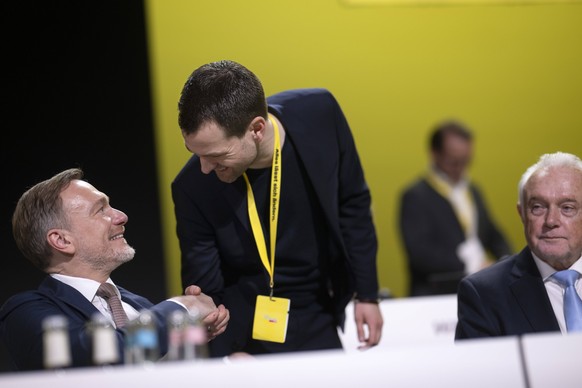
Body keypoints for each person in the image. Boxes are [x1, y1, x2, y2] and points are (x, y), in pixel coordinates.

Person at [172, 60, 383, 357]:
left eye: (217, 155)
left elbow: (353, 204)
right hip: (246, 329)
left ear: (256, 129)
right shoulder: (191, 186)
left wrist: (367, 294)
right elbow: (208, 285)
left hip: (319, 308)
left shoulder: (319, 114)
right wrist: (219, 338)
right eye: (195, 153)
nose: (205, 168)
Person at [0, 168, 230, 371]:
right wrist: (182, 308)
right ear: (61, 240)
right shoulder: (24, 312)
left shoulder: (139, 305)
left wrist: (191, 334)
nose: (121, 216)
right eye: (100, 210)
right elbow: (106, 356)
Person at [456, 151, 582, 338]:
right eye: (538, 207)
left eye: (567, 208)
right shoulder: (484, 294)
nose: (551, 220)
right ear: (522, 213)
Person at [398, 120, 512, 296]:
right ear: (434, 153)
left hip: (474, 292)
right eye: (453, 161)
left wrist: (506, 262)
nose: (460, 168)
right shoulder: (415, 196)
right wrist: (469, 265)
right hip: (435, 296)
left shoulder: (473, 190)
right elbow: (420, 254)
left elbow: (492, 233)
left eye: (466, 161)